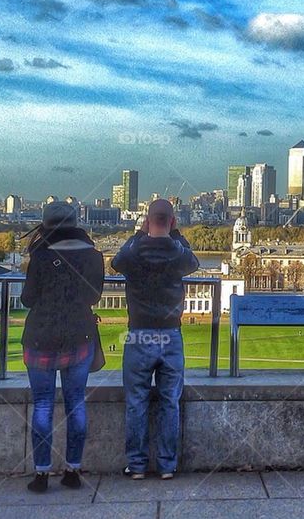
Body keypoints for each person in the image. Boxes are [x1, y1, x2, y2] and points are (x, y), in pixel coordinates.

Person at [21, 201, 105, 493]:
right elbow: (94, 297)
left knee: (43, 404)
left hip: (40, 336)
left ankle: (42, 474)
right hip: (79, 335)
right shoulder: (94, 256)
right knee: (76, 403)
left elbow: (27, 299)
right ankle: (73, 470)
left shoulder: (40, 255)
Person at [112, 199, 199, 479]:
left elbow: (117, 261)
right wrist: (173, 233)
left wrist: (139, 233)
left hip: (139, 332)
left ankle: (136, 465)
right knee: (169, 401)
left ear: (148, 220)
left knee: (136, 401)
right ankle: (166, 465)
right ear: (172, 222)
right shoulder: (178, 254)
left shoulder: (134, 253)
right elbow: (194, 261)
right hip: (171, 333)